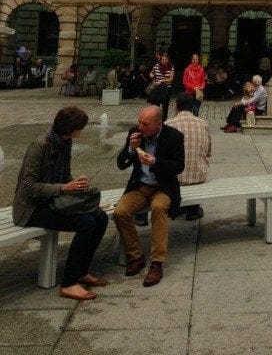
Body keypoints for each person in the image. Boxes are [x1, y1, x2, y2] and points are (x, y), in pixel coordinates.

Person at [12, 106, 108, 301]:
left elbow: (65, 175)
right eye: (80, 127)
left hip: (53, 201)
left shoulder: (65, 142)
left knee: (100, 217)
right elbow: (28, 187)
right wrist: (65, 187)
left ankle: (81, 270)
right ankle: (69, 282)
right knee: (86, 222)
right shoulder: (40, 146)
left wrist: (77, 184)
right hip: (31, 208)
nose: (82, 130)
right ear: (71, 128)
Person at [114, 105, 184, 287]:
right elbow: (121, 164)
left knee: (159, 208)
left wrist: (155, 162)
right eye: (139, 122)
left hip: (163, 187)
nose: (140, 127)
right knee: (120, 211)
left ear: (158, 124)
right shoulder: (135, 134)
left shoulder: (173, 136)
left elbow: (178, 166)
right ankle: (136, 255)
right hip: (141, 186)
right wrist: (131, 148)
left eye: (145, 124)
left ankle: (157, 263)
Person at [166, 93, 211, 220]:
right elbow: (208, 152)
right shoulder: (203, 124)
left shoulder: (168, 125)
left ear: (176, 107)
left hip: (175, 178)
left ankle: (178, 207)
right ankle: (193, 209)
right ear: (193, 107)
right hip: (198, 175)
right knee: (199, 160)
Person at [148, 52, 175, 121]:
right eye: (163, 59)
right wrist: (152, 76)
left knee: (165, 106)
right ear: (161, 59)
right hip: (157, 88)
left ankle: (164, 121)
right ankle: (155, 119)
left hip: (166, 89)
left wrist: (161, 81)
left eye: (166, 59)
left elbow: (170, 79)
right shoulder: (156, 66)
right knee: (155, 105)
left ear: (168, 60)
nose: (164, 61)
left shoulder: (171, 68)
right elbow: (151, 74)